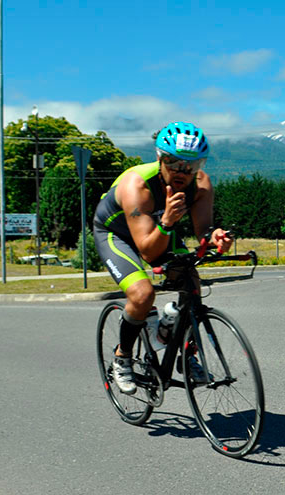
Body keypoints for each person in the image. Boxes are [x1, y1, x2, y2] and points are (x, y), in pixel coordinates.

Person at [93, 122, 232, 394]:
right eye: (174, 162)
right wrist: (167, 221)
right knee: (143, 295)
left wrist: (215, 237)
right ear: (160, 158)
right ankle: (122, 357)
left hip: (157, 226)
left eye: (192, 165)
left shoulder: (201, 184)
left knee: (191, 280)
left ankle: (183, 348)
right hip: (116, 233)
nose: (183, 171)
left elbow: (202, 230)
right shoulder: (138, 185)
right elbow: (148, 252)